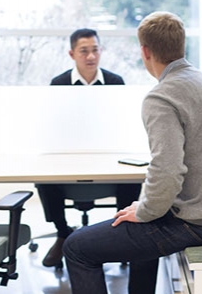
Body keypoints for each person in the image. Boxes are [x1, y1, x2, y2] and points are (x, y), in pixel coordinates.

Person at [63, 12, 202, 294]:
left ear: (145, 51)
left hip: (200, 222)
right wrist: (145, 210)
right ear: (181, 45)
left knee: (77, 247)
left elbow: (167, 170)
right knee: (141, 226)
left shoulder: (162, 96)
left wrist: (145, 211)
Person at [36, 28, 142, 268]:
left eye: (95, 50)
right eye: (84, 51)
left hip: (108, 153)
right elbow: (53, 126)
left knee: (131, 176)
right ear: (72, 54)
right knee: (45, 178)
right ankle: (62, 233)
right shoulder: (59, 84)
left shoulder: (115, 82)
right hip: (70, 155)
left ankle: (122, 235)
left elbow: (123, 123)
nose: (91, 56)